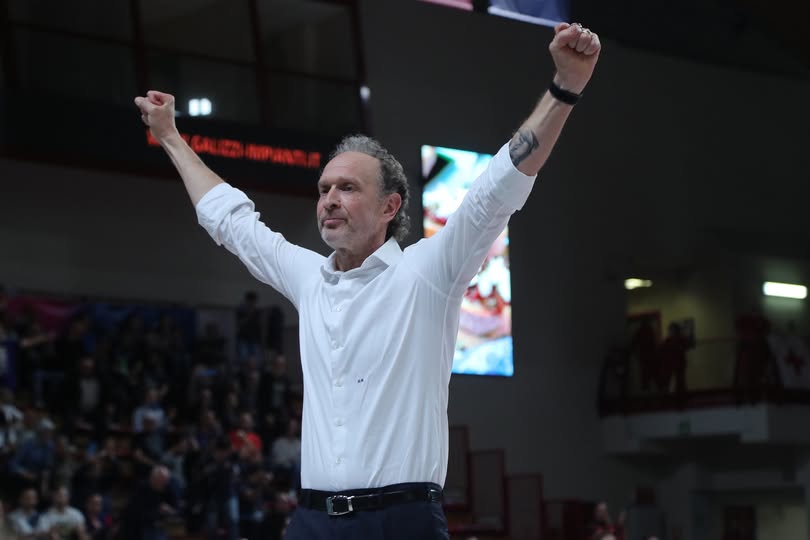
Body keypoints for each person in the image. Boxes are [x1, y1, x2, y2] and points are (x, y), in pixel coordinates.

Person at [134, 20, 601, 540]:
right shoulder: (309, 278)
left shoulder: (429, 272)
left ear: (389, 207)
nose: (329, 199)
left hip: (401, 523)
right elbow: (231, 221)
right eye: (323, 189)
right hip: (311, 521)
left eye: (347, 188)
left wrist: (564, 88)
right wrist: (170, 137)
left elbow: (498, 186)